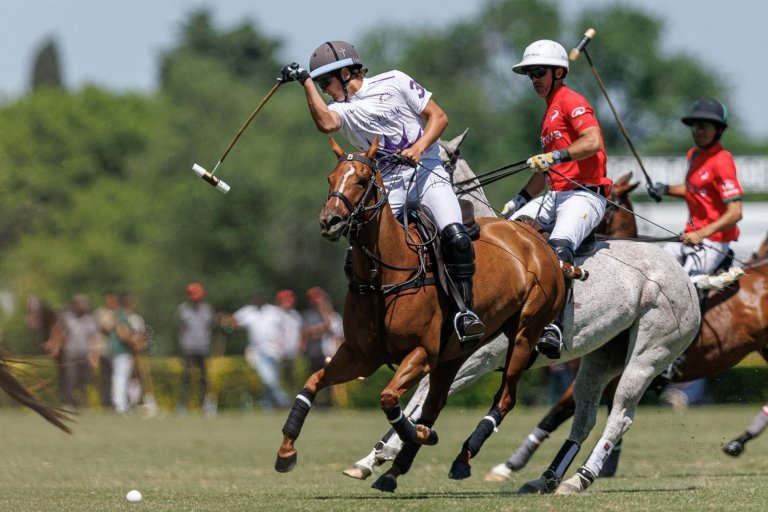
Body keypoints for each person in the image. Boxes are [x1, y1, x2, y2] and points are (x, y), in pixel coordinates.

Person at [279, 41, 484, 347]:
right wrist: (305, 82)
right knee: (358, 254)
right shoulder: (341, 110)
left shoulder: (395, 81)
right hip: (388, 185)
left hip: (427, 173)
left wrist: (417, 148)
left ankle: (466, 312)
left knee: (455, 236)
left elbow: (438, 117)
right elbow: (324, 123)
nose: (324, 90)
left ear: (347, 72)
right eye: (320, 85)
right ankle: (372, 322)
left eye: (326, 83)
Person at [501, 39, 611, 359]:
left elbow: (593, 141)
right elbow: (545, 169)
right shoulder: (549, 113)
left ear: (559, 72)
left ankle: (554, 326)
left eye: (539, 71)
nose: (534, 78)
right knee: (502, 233)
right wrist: (519, 199)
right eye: (530, 73)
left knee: (559, 245)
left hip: (585, 194)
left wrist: (557, 155)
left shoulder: (570, 100)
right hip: (556, 194)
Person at [650, 98, 744, 279]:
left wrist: (701, 234)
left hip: (714, 241)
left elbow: (735, 212)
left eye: (704, 126)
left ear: (719, 129)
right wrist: (666, 189)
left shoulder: (722, 160)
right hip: (689, 236)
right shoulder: (693, 154)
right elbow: (694, 190)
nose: (698, 131)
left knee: (685, 287)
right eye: (695, 126)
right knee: (657, 272)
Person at [231, 292, 290, 411]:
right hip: (256, 351)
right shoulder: (249, 311)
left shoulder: (274, 312)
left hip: (273, 351)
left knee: (271, 379)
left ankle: (265, 404)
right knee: (268, 377)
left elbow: (284, 327)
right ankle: (284, 401)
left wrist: (281, 343)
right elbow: (234, 321)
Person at [44, 294, 100, 409]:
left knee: (85, 380)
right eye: (80, 304)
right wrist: (55, 346)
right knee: (70, 379)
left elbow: (94, 337)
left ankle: (84, 404)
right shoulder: (67, 317)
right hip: (71, 354)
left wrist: (94, 354)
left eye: (84, 304)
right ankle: (67, 403)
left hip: (85, 354)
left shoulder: (90, 319)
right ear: (74, 305)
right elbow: (58, 332)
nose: (82, 306)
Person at [175, 282, 215, 413]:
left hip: (203, 347)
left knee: (205, 378)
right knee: (186, 377)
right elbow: (180, 328)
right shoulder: (183, 309)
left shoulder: (207, 309)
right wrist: (182, 342)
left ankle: (206, 405)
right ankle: (182, 406)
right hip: (188, 348)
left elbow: (210, 326)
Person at [300, 286, 343, 408]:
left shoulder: (335, 317)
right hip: (316, 352)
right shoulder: (308, 315)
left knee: (328, 380)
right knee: (313, 378)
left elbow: (337, 334)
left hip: (330, 353)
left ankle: (328, 403)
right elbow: (307, 332)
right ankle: (312, 403)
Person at [275, 289, 303, 393]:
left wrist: (300, 345)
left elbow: (300, 332)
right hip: (279, 352)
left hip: (293, 352)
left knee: (293, 378)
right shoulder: (275, 314)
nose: (289, 304)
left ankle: (292, 398)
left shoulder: (296, 315)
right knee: (279, 377)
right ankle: (279, 400)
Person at [94, 292, 119, 409]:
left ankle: (116, 402)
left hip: (118, 351)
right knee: (105, 378)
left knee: (117, 377)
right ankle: (106, 403)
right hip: (104, 350)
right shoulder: (101, 313)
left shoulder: (119, 313)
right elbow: (106, 328)